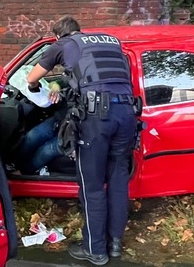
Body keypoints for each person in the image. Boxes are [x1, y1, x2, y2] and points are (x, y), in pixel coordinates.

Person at [26, 15, 136, 266]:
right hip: (127, 114)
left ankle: (95, 250)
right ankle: (115, 243)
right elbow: (96, 76)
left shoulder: (63, 44)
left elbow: (32, 78)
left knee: (92, 185)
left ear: (58, 36)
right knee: (119, 179)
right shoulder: (111, 42)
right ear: (79, 30)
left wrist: (38, 89)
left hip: (97, 119)